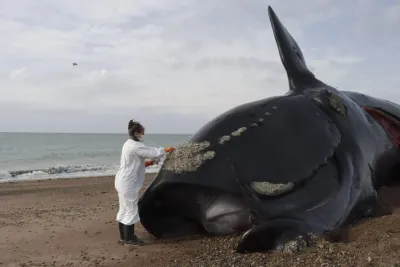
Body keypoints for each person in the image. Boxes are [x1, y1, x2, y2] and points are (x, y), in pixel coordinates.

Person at [115, 119, 174, 246]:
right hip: (128, 183)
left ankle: (123, 237)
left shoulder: (128, 144)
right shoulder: (136, 146)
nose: (143, 135)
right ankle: (129, 238)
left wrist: (149, 163)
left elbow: (134, 163)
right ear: (136, 133)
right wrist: (166, 149)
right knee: (131, 209)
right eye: (142, 132)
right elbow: (154, 152)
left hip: (122, 180)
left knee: (124, 209)